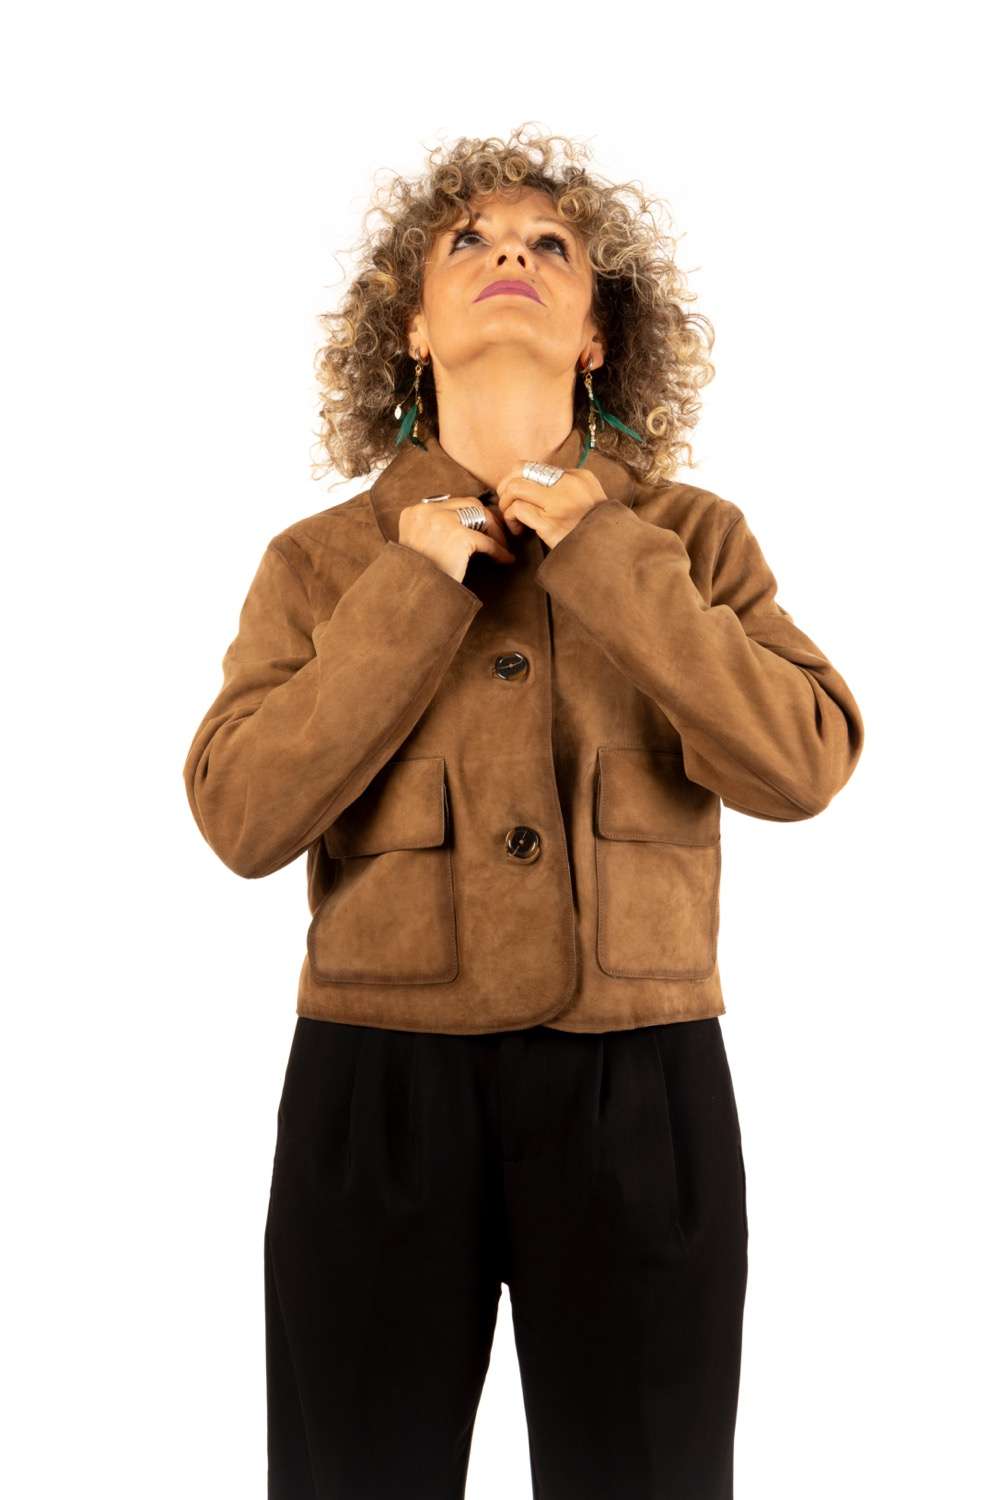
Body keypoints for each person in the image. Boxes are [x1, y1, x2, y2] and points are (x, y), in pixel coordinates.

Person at [182, 125, 864, 1500]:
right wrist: (411, 585)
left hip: (642, 1085)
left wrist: (602, 549)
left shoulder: (692, 539)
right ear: (413, 328)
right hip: (376, 1092)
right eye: (470, 241)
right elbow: (241, 815)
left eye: (552, 244)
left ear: (599, 335)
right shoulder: (320, 562)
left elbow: (802, 760)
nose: (513, 255)